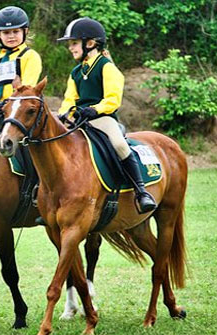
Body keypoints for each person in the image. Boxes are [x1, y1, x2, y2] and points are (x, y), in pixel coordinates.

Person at [57, 17, 157, 213]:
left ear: (90, 43)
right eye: (70, 44)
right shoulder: (76, 72)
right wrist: (64, 113)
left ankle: (141, 191)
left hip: (102, 118)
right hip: (80, 120)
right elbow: (70, 98)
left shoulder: (106, 67)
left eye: (74, 43)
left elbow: (113, 99)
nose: (70, 48)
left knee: (119, 144)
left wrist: (94, 109)